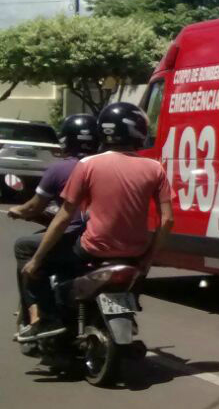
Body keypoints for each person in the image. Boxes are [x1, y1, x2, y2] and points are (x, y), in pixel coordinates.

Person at [16, 103, 174, 343]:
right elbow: (168, 220)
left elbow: (63, 217)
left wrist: (37, 259)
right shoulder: (155, 168)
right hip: (135, 252)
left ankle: (46, 319)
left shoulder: (88, 165)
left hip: (93, 247)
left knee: (30, 252)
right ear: (138, 132)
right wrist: (149, 257)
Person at [9, 114, 98, 336]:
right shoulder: (104, 166)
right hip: (107, 238)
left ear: (65, 140)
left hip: (76, 238)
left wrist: (17, 211)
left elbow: (34, 208)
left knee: (24, 248)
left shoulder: (60, 169)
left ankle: (41, 317)